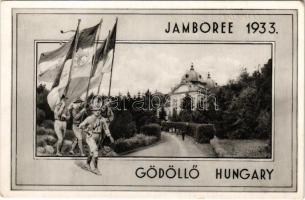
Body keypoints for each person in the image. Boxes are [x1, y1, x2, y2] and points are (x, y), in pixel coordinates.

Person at [79, 103, 114, 175]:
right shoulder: (89, 118)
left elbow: (106, 128)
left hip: (98, 137)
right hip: (90, 137)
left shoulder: (102, 119)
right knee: (95, 151)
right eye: (96, 110)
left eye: (99, 110)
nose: (98, 111)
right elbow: (80, 126)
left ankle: (87, 164)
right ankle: (96, 168)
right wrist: (86, 131)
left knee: (92, 152)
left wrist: (110, 136)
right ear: (93, 111)